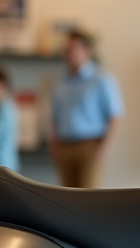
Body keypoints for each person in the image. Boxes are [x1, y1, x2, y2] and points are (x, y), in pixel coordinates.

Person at [48, 29, 123, 188]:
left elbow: (115, 116)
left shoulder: (102, 79)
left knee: (88, 199)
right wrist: (55, 146)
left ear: (87, 51)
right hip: (65, 145)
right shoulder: (59, 81)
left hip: (90, 145)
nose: (68, 53)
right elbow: (54, 117)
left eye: (73, 49)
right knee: (65, 198)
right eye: (66, 50)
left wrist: (103, 148)